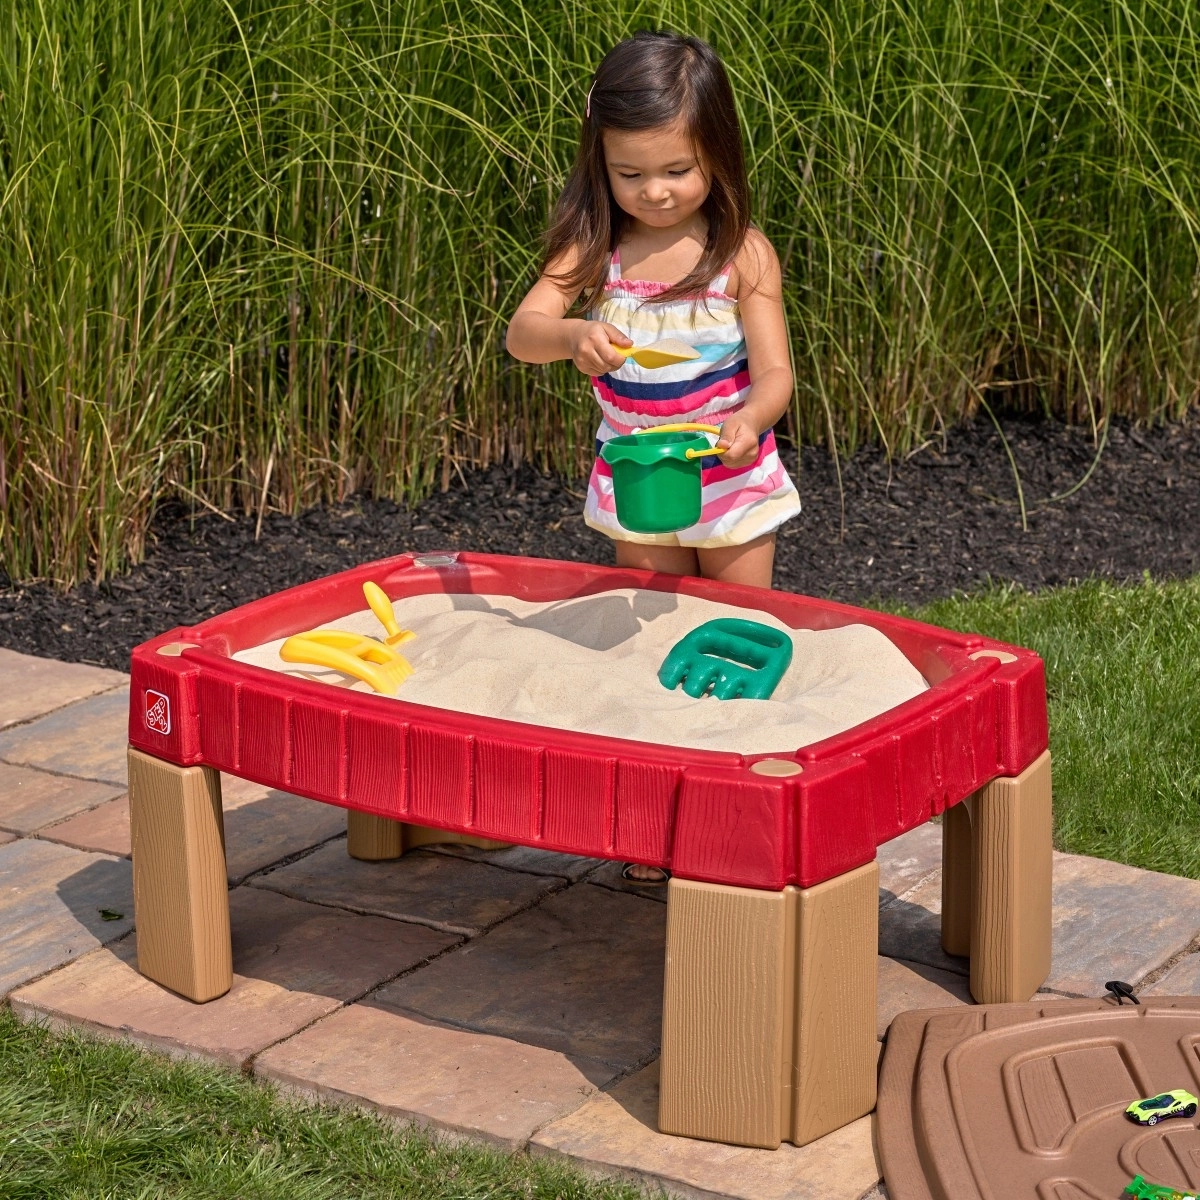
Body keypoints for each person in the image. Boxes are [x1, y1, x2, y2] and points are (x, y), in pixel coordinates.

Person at [506, 30, 801, 883]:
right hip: (641, 482)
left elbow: (777, 372)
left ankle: (736, 804)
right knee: (650, 637)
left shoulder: (739, 254)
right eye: (630, 174)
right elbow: (522, 335)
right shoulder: (594, 252)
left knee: (738, 631)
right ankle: (655, 822)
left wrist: (753, 415)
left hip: (733, 480)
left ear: (718, 153)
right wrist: (570, 335)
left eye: (676, 170)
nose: (656, 191)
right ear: (600, 161)